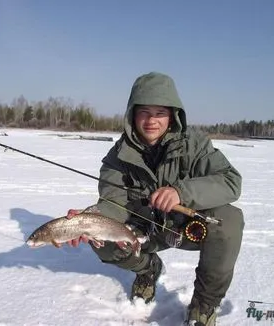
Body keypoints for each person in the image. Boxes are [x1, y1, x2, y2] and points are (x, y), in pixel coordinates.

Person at [64, 72, 244, 326]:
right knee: (101, 239)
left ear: (172, 115)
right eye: (144, 112)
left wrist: (182, 192)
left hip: (187, 227)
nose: (151, 120)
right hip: (142, 229)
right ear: (132, 114)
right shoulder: (117, 157)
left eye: (160, 112)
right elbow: (113, 203)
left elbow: (231, 181)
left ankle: (204, 305)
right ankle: (147, 270)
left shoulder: (195, 145)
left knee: (229, 220)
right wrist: (90, 218)